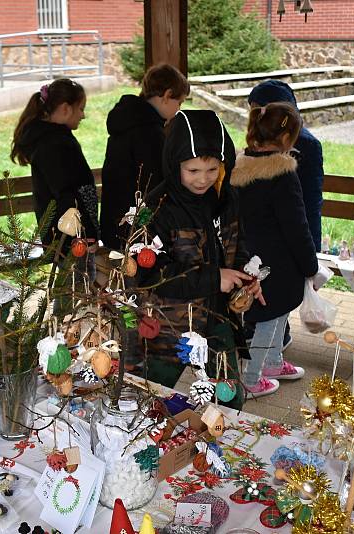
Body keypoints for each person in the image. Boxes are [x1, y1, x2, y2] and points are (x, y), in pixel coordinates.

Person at [137, 109, 263, 410]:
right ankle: (145, 442)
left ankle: (221, 444)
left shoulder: (226, 198)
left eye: (212, 169)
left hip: (219, 319)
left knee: (229, 396)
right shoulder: (158, 208)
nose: (203, 179)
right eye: (192, 171)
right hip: (171, 325)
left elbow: (237, 246)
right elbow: (148, 274)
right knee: (152, 392)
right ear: (174, 164)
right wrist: (213, 278)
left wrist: (245, 280)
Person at [231, 102, 319, 398]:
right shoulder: (282, 173)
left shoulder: (239, 167)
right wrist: (310, 264)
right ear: (286, 139)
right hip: (279, 263)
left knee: (277, 312)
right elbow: (297, 225)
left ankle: (272, 361)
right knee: (269, 318)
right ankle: (252, 379)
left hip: (249, 258)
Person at [248, 80, 325, 350]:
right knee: (270, 296)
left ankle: (272, 347)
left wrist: (311, 250)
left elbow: (309, 201)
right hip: (270, 237)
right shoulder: (258, 150)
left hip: (284, 236)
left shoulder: (305, 146)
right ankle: (266, 353)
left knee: (274, 297)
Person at [100, 64, 190, 250]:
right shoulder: (149, 132)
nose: (178, 109)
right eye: (179, 102)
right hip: (136, 231)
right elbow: (155, 185)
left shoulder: (127, 122)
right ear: (167, 95)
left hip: (115, 222)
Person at [10, 78, 99, 249]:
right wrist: (87, 236)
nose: (83, 115)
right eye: (80, 109)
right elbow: (66, 194)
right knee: (78, 276)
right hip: (70, 238)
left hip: (67, 236)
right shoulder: (54, 144)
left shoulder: (53, 140)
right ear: (66, 108)